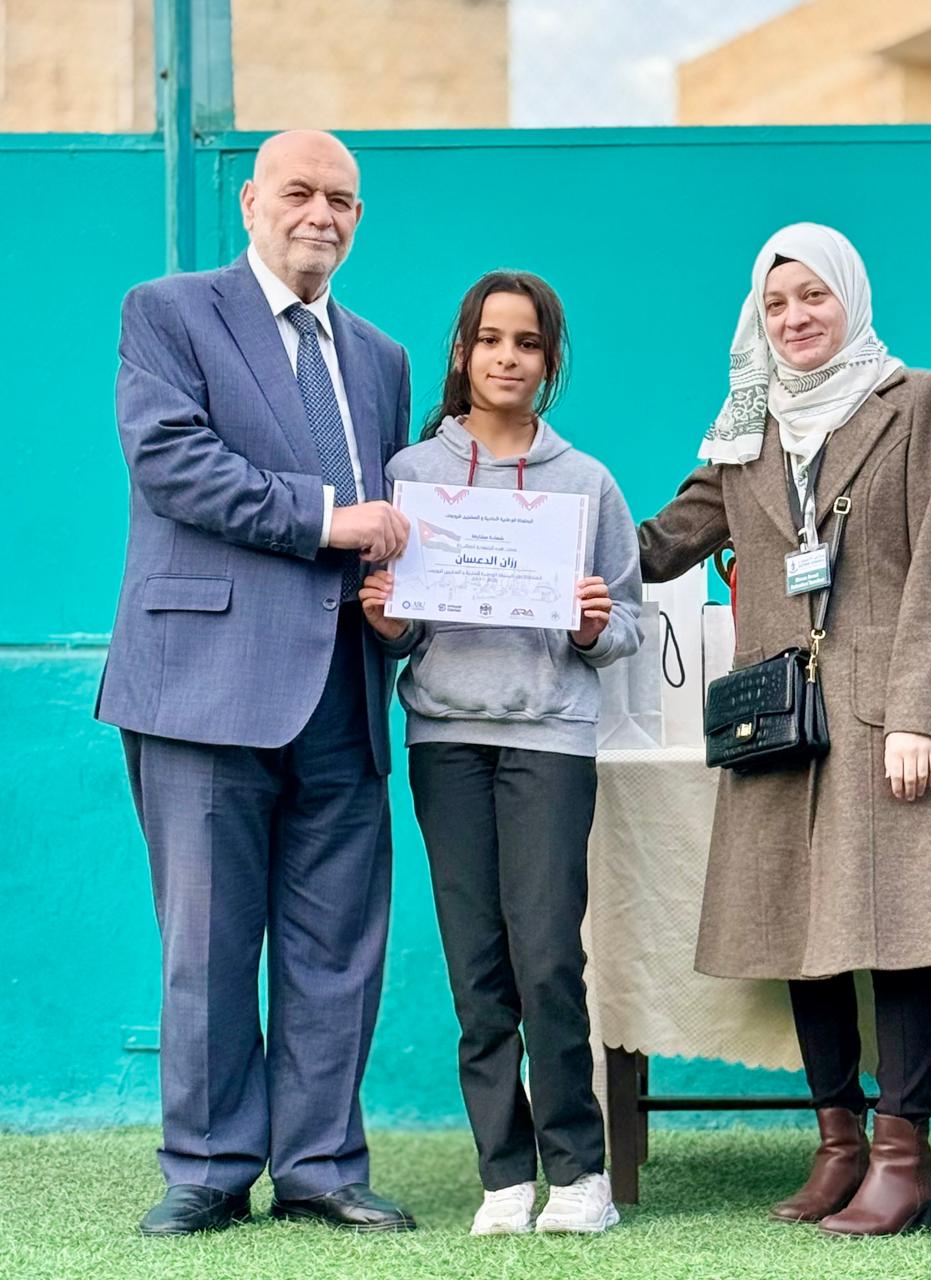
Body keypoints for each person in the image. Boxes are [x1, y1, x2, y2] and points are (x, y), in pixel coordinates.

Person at [636, 223, 931, 1236]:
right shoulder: (745, 422)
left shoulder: (914, 398)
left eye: (812, 297)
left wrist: (919, 713)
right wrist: (535, 533)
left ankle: (903, 1157)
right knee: (805, 933)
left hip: (883, 713)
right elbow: (662, 542)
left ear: (848, 297)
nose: (793, 318)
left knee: (899, 930)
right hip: (778, 721)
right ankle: (838, 1145)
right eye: (775, 303)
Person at [97, 130, 416, 1236]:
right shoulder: (168, 311)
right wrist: (330, 521)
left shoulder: (380, 357)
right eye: (298, 192)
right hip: (202, 683)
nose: (320, 213)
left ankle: (321, 1164)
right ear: (250, 201)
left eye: (342, 199)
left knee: (338, 947)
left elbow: (391, 517)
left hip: (343, 686)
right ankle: (209, 1166)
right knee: (208, 942)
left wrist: (395, 602)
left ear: (358, 218)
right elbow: (172, 462)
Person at [360, 271, 641, 1236]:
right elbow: (400, 624)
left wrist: (593, 626)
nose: (506, 358)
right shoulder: (408, 474)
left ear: (549, 361)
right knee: (476, 970)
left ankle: (580, 1175)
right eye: (490, 340)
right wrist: (388, 623)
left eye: (526, 343)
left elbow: (625, 624)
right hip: (445, 739)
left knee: (547, 960)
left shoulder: (586, 482)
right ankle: (505, 1176)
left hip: (548, 740)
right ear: (462, 352)